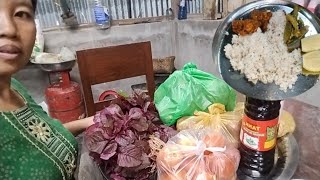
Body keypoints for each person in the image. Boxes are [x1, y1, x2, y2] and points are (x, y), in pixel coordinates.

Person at [0, 0, 94, 179]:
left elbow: (44, 137)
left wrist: (89, 121)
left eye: (21, 13)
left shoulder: (16, 88)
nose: (9, 29)